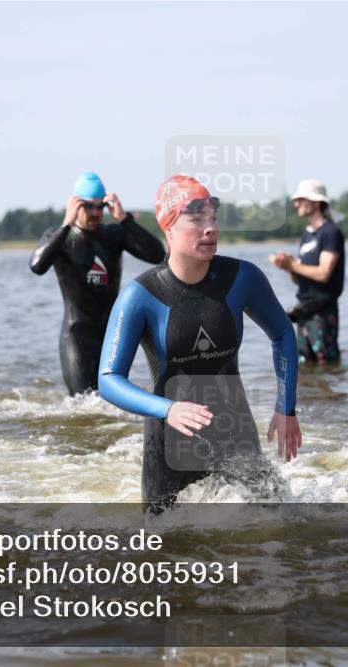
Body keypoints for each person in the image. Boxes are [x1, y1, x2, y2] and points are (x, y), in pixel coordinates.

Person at [99, 175, 302, 511]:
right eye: (196, 220)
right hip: (169, 443)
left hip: (234, 428)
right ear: (168, 228)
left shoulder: (242, 278)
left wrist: (286, 407)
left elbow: (282, 334)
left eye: (214, 218)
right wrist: (168, 408)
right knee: (166, 546)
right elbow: (108, 380)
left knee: (274, 528)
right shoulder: (141, 296)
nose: (210, 229)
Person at [30, 172, 166, 395]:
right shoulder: (59, 237)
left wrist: (124, 219)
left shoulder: (115, 234)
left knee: (109, 402)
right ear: (75, 204)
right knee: (83, 402)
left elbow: (157, 254)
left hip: (111, 333)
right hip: (76, 335)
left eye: (99, 207)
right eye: (87, 206)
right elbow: (37, 266)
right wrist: (66, 223)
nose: (94, 213)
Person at [269, 179, 345, 364]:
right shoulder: (307, 234)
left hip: (323, 310)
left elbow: (323, 273)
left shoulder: (331, 232)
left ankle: (328, 392)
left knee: (326, 362)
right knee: (305, 362)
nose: (296, 203)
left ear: (317, 202)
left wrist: (292, 265)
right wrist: (287, 265)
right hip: (305, 308)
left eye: (301, 199)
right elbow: (298, 279)